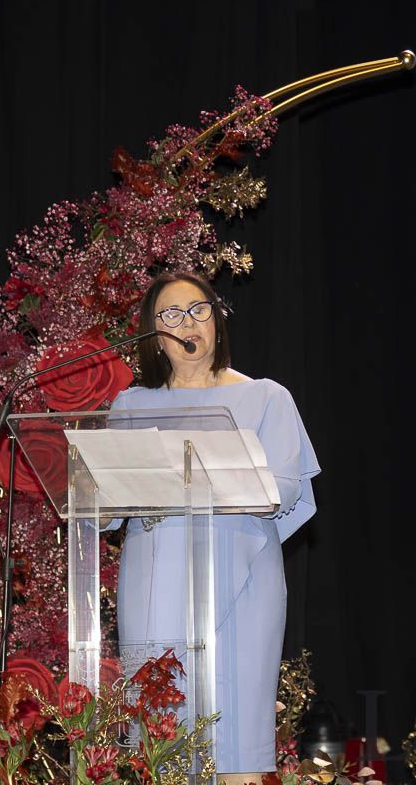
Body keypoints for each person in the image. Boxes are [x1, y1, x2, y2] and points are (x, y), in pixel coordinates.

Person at [112, 271, 320, 785]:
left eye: (199, 310)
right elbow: (108, 505)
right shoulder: (129, 406)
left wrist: (206, 481)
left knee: (236, 743)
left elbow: (286, 489)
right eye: (172, 315)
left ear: (217, 319)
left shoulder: (266, 398)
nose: (189, 323)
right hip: (152, 585)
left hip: (244, 583)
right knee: (161, 751)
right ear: (154, 333)